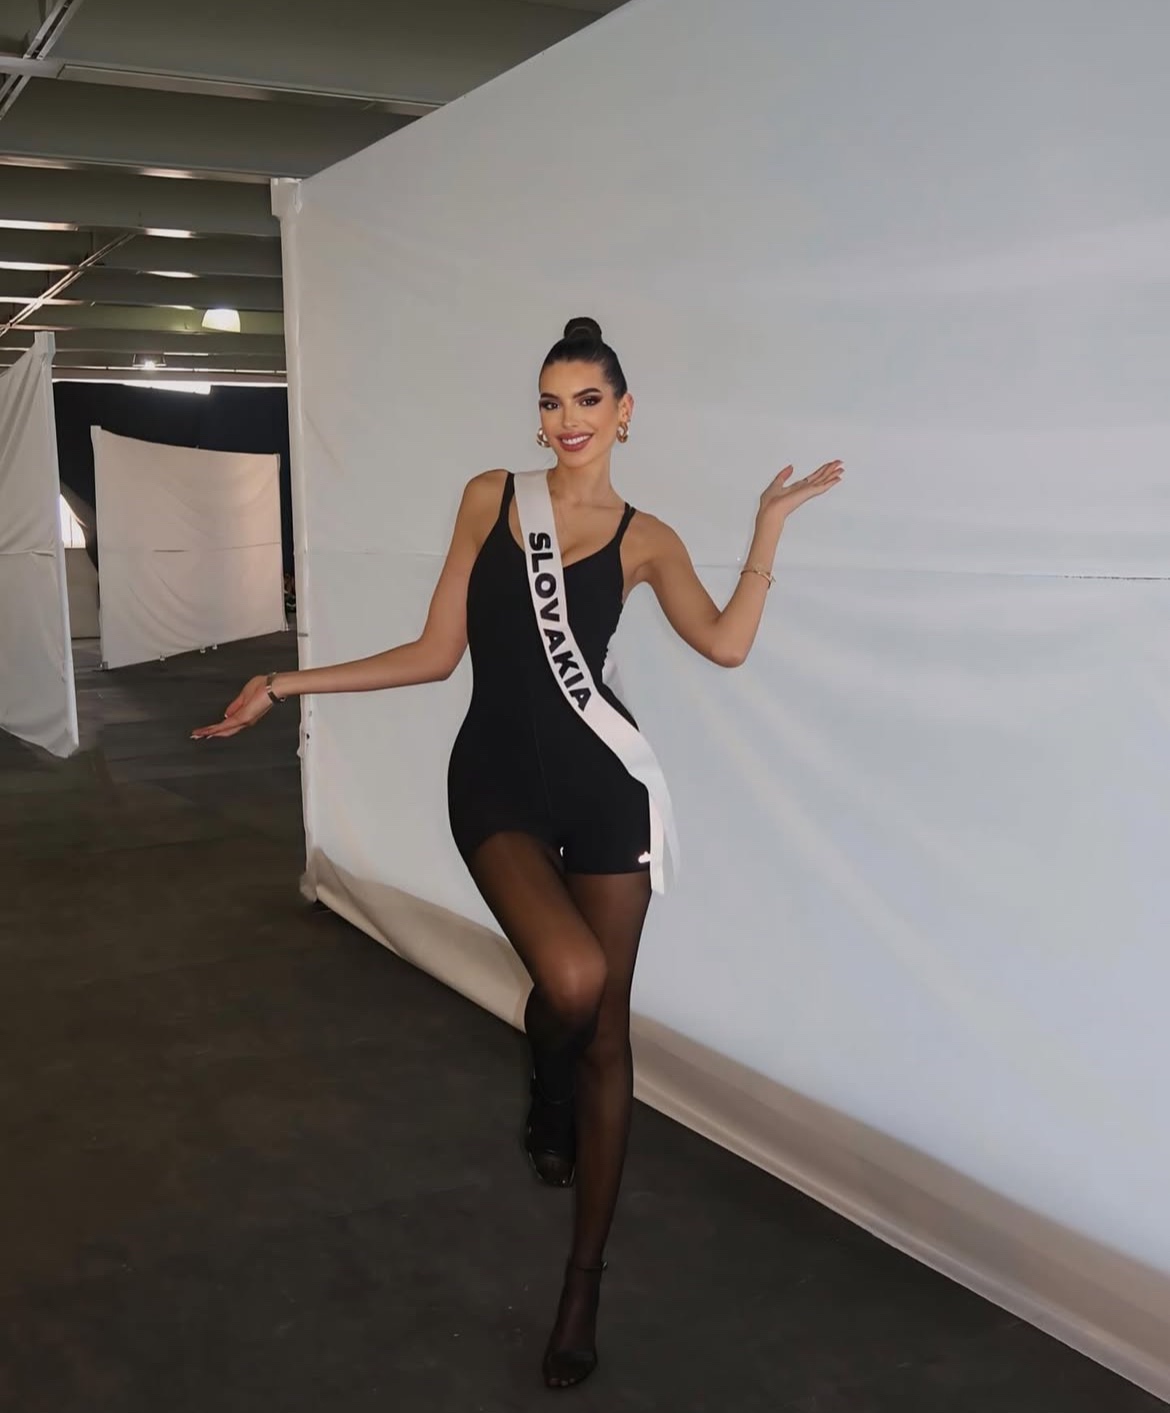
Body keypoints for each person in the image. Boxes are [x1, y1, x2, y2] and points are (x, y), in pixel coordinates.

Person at [192, 317, 843, 1389]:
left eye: (587, 401)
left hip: (607, 787)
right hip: (494, 781)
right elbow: (435, 652)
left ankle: (582, 1282)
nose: (567, 420)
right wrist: (285, 681)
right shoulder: (490, 499)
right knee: (571, 982)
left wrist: (767, 529)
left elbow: (726, 644)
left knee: (608, 1033)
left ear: (624, 413)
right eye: (551, 401)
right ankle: (546, 1085)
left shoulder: (648, 538)